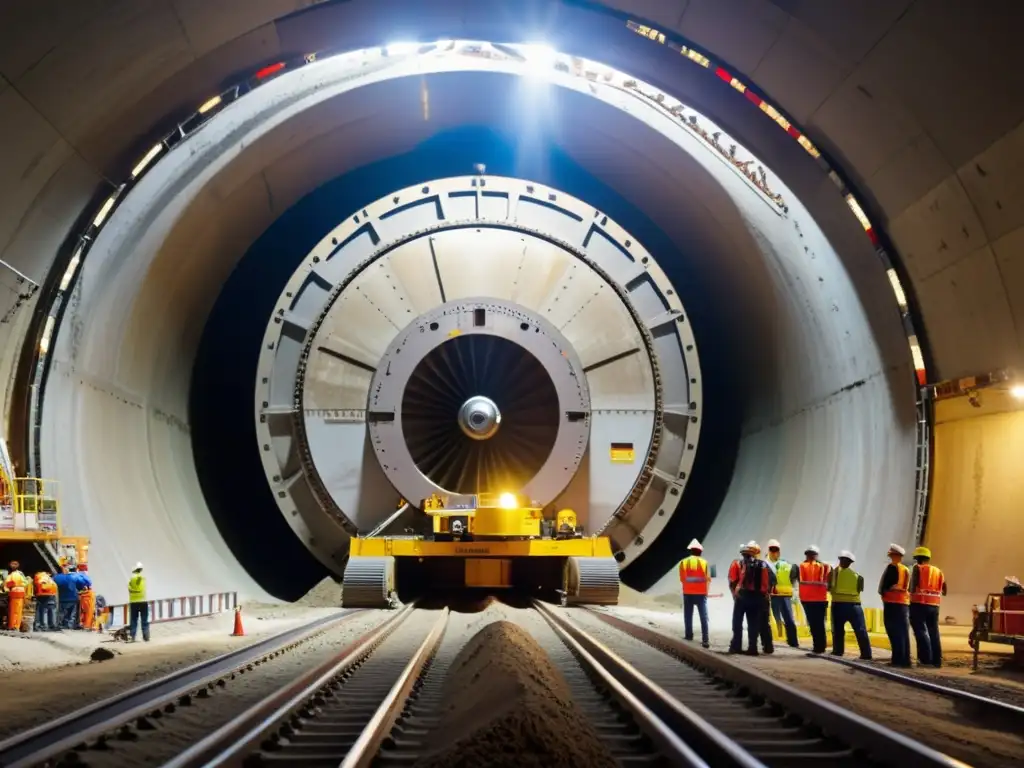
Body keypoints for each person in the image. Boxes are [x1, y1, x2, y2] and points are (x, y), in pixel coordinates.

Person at [729, 542, 772, 655]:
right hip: (758, 597)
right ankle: (753, 648)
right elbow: (767, 582)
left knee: (737, 622)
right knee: (753, 624)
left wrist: (735, 594)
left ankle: (736, 646)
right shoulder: (762, 565)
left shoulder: (740, 563)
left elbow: (733, 581)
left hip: (743, 596)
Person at [828, 551, 872, 660]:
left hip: (838, 605)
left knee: (838, 630)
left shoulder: (834, 573)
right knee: (861, 630)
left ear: (840, 560)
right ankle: (866, 654)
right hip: (855, 606)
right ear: (851, 562)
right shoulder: (857, 575)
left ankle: (838, 651)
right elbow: (860, 589)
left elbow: (829, 587)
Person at [909, 546, 946, 667]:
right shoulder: (938, 571)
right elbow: (944, 590)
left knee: (920, 631)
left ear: (918, 559)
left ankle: (925, 659)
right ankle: (937, 660)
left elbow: (912, 587)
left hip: (919, 604)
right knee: (933, 632)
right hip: (934, 605)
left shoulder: (917, 568)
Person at [878, 543, 911, 667]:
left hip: (892, 603)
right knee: (903, 632)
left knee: (893, 632)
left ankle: (897, 660)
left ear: (894, 555)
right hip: (903, 603)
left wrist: (883, 594)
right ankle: (905, 660)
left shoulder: (892, 568)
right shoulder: (906, 569)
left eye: (891, 554)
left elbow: (884, 586)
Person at [795, 545, 830, 654]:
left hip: (812, 599)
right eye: (809, 554)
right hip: (814, 599)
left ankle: (818, 647)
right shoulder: (823, 566)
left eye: (811, 554)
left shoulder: (805, 566)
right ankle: (819, 647)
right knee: (817, 624)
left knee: (816, 624)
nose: (810, 556)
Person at [765, 539, 799, 648]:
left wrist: (795, 592)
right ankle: (772, 640)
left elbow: (794, 577)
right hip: (771, 595)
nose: (774, 552)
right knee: (771, 619)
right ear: (769, 550)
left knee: (789, 619)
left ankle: (793, 641)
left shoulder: (786, 564)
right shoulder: (764, 564)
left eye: (776, 549)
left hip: (785, 595)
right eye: (772, 549)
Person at [679, 538, 711, 648]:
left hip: (688, 593)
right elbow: (708, 579)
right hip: (701, 594)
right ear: (700, 551)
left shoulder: (683, 562)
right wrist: (706, 591)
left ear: (691, 550)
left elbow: (682, 579)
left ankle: (688, 635)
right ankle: (705, 639)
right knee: (703, 617)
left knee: (688, 615)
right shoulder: (705, 563)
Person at [3, 561, 29, 631]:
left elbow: (6, 585)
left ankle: (12, 625)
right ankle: (17, 625)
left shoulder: (10, 575)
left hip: (14, 592)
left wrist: (8, 588)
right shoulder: (21, 574)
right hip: (21, 592)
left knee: (13, 610)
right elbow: (26, 583)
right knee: (19, 610)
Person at [128, 562, 149, 642]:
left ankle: (132, 636)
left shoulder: (131, 578)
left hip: (133, 602)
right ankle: (146, 637)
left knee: (133, 620)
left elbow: (129, 588)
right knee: (144, 619)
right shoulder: (143, 577)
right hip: (143, 601)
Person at [74, 565, 96, 630]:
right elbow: (89, 583)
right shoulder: (85, 577)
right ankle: (87, 625)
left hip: (82, 596)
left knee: (82, 612)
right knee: (88, 612)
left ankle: (83, 624)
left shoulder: (77, 576)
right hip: (87, 596)